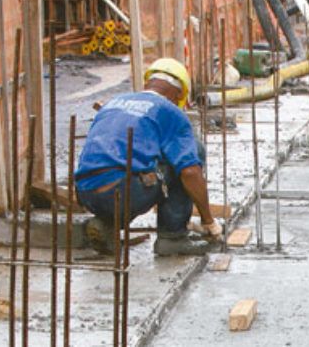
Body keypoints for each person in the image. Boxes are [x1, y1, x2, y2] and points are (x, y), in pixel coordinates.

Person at [75, 58, 220, 256]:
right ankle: (173, 237)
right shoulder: (170, 111)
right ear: (178, 93)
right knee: (189, 154)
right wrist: (208, 220)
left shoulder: (112, 103)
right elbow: (190, 172)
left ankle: (106, 223)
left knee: (132, 163)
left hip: (85, 193)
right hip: (123, 191)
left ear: (148, 83)